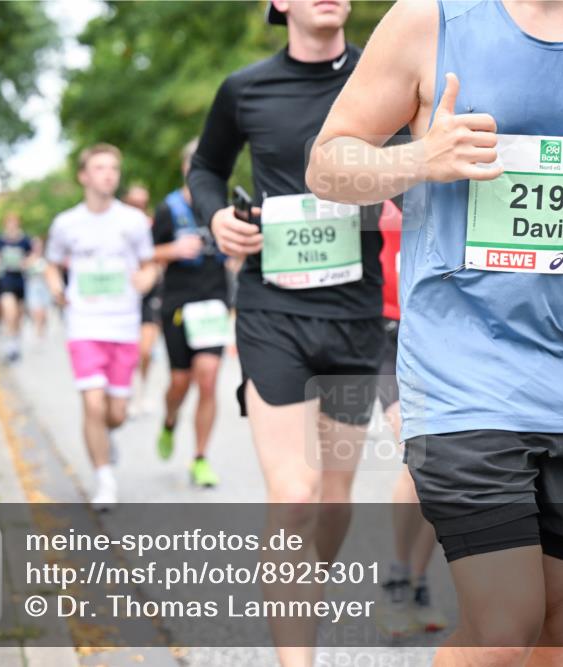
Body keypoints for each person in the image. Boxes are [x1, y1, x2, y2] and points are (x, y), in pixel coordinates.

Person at [306, 1, 563, 665]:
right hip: (463, 372)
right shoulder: (429, 20)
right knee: (505, 627)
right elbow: (327, 165)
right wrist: (419, 159)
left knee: (558, 627)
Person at [188, 1, 385, 662]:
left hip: (357, 318)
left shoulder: (382, 77)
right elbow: (205, 169)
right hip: (273, 309)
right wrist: (217, 219)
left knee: (333, 500)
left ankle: (300, 597)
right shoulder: (245, 88)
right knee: (294, 493)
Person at [45, 143, 159, 510]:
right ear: (83, 176)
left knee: (116, 413)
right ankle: (104, 480)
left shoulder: (134, 221)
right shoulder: (65, 223)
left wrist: (146, 279)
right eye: (100, 168)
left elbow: (150, 263)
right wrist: (57, 288)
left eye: (113, 168)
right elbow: (51, 265)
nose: (108, 174)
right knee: (93, 404)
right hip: (85, 325)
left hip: (124, 326)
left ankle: (106, 440)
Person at [373, 195, 448, 639]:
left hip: (440, 334)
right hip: (386, 335)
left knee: (436, 462)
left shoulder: (449, 189)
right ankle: (399, 580)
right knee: (416, 450)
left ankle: (417, 581)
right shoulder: (372, 193)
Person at [153, 140, 229, 487]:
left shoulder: (223, 207)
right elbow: (145, 253)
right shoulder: (168, 209)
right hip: (178, 306)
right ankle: (170, 419)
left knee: (209, 378)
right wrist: (173, 249)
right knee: (180, 383)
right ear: (186, 168)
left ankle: (200, 457)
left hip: (214, 303)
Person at [123, 184, 162, 416]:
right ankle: (125, 392)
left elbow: (159, 253)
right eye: (134, 204)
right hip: (123, 293)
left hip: (150, 293)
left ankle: (142, 390)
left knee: (145, 350)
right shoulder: (116, 225)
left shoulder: (153, 225)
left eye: (142, 204)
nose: (139, 208)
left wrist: (152, 272)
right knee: (128, 350)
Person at [0, 213, 32, 362]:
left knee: (18, 315)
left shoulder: (25, 240)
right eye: (9, 223)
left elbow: (32, 256)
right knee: (9, 311)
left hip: (20, 279)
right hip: (5, 279)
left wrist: (26, 263)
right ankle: (9, 344)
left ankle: (15, 343)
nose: (12, 225)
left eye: (14, 222)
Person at [24, 236, 51, 338]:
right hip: (33, 287)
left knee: (43, 313)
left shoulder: (46, 259)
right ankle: (37, 333)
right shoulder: (29, 259)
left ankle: (41, 331)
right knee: (37, 311)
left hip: (44, 287)